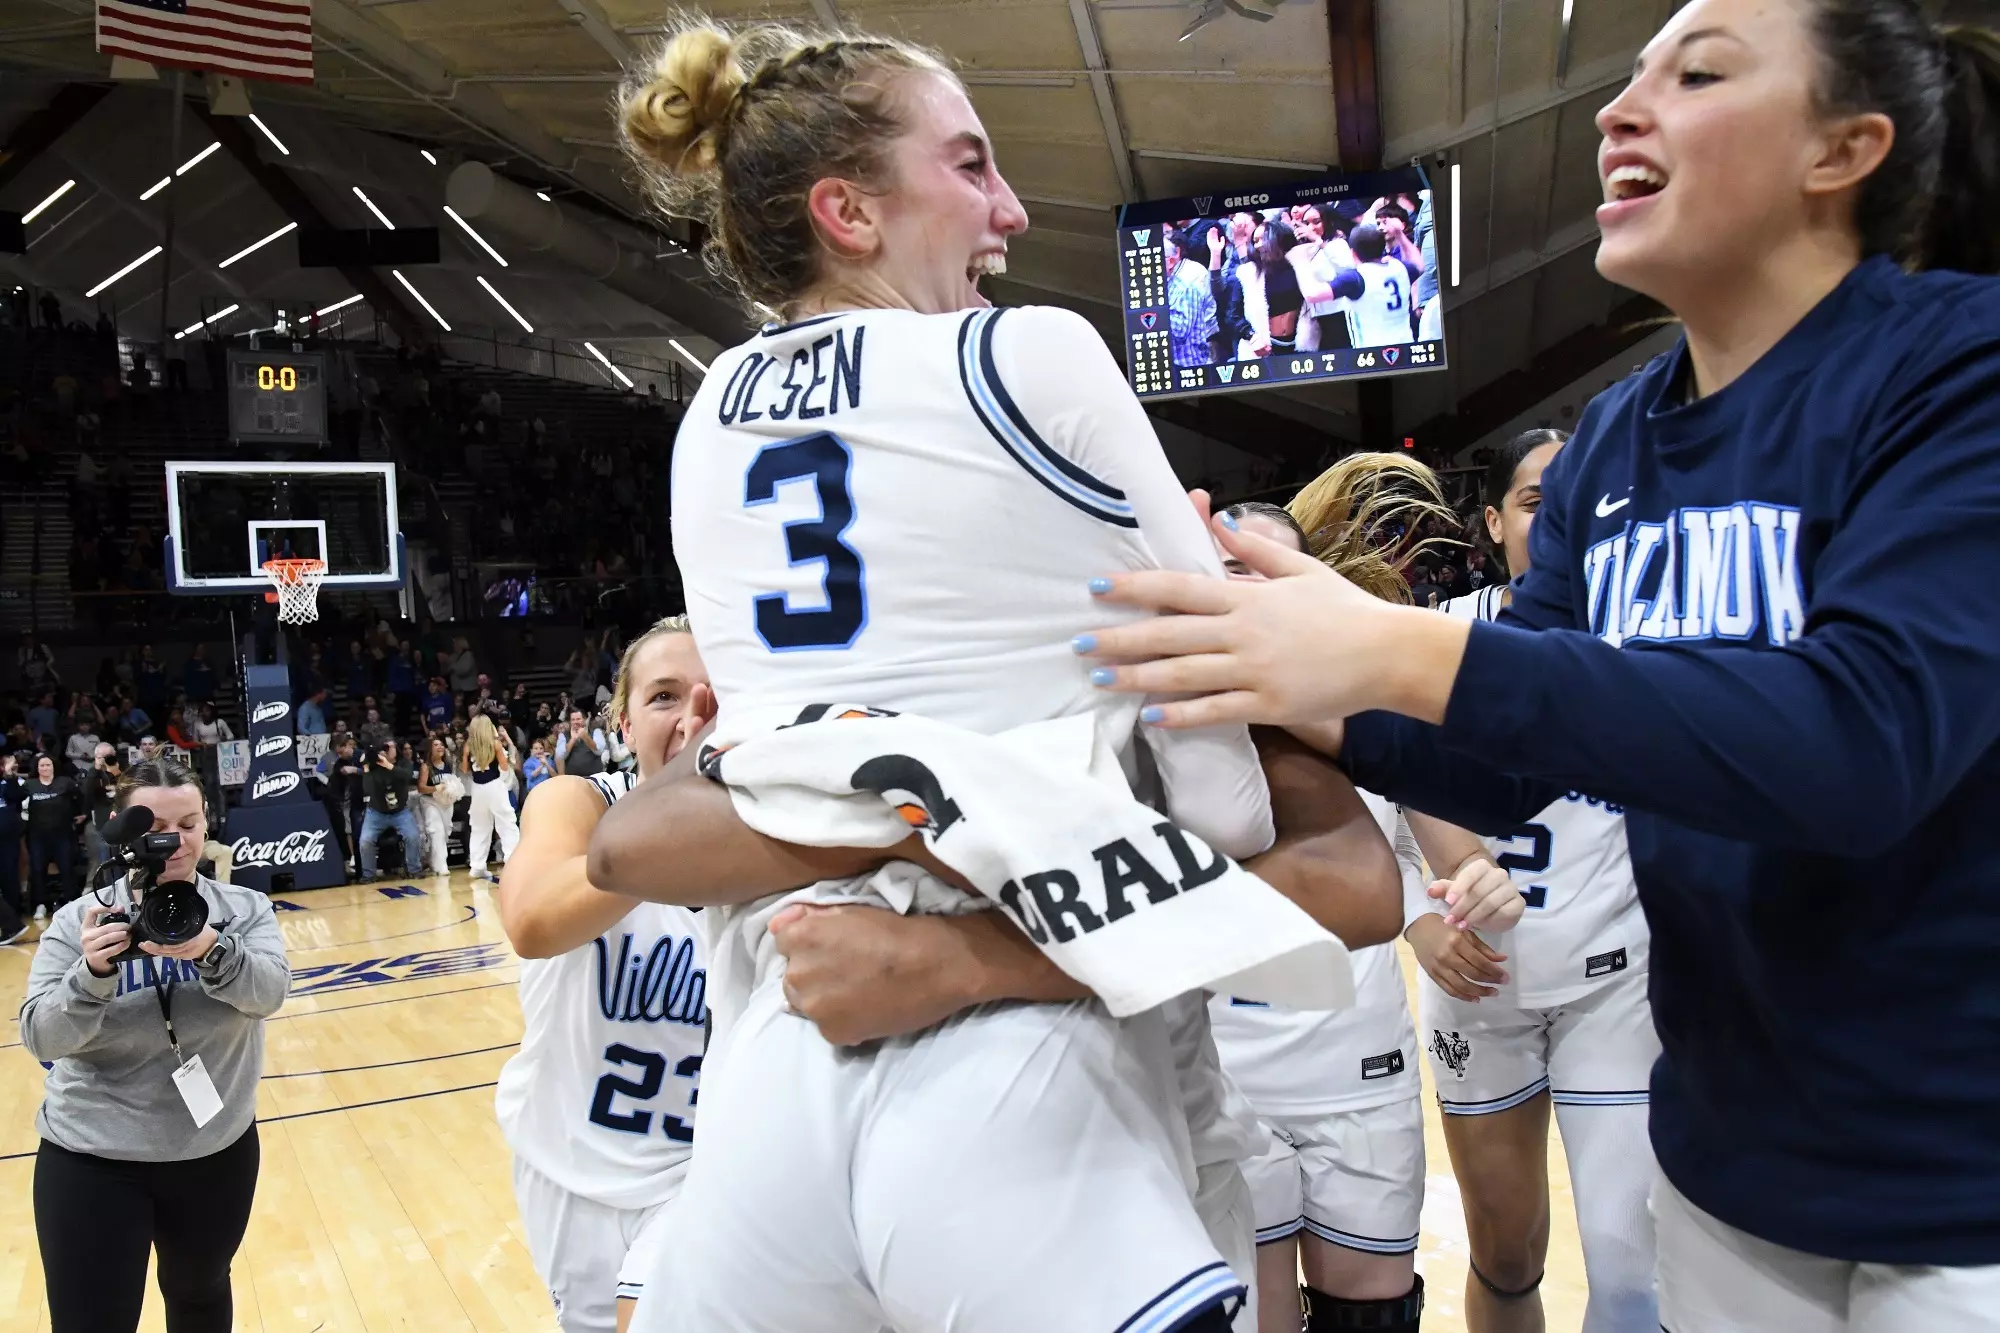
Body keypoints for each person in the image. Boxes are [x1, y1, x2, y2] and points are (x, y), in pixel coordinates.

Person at [1081, 3, 2000, 1325]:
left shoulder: (1959, 361)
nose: (1619, 111)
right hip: (1733, 1153)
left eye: (1696, 74)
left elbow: (1862, 746)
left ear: (1842, 150)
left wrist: (1396, 647)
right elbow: (1513, 757)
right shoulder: (1622, 437)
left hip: (1961, 1181)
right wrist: (1291, 682)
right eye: (1625, 78)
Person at [600, 20, 1388, 1331]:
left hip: (776, 1050)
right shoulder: (1030, 357)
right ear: (849, 210)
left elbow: (722, 783)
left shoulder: (707, 419)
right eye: (970, 166)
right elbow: (1234, 796)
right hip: (1030, 1078)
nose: (1012, 210)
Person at [1207, 488, 1518, 1333]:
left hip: (1358, 1063)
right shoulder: (1159, 722)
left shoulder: (1362, 701)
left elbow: (1452, 850)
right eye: (1230, 569)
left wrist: (1476, 879)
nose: (1249, 589)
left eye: (1271, 572)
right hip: (1222, 1072)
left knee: (1373, 1315)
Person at [1416, 428, 1661, 1332]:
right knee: (1508, 1256)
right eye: (1532, 500)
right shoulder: (1437, 635)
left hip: (1614, 981)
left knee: (1631, 1263)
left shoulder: (1648, 629)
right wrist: (1421, 922)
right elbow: (1378, 815)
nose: (1557, 517)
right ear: (1492, 520)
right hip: (1479, 988)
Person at [20, 755, 290, 1333]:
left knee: (199, 1295)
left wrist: (213, 949)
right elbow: (40, 1035)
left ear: (206, 822)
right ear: (121, 828)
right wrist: (90, 974)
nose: (174, 843)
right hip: (93, 1156)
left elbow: (270, 995)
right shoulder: (79, 922)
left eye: (189, 824)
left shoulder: (244, 911)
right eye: (154, 830)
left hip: (214, 1151)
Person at [495, 618, 712, 1333]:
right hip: (567, 1165)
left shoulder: (773, 830)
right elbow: (530, 920)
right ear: (622, 719)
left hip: (698, 1174)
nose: (692, 717)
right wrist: (686, 823)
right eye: (664, 696)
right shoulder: (577, 802)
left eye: (715, 698)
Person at [464, 714, 520, 882]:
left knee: (479, 826)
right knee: (506, 821)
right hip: (494, 785)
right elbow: (504, 766)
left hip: (477, 789)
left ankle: (477, 866)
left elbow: (465, 769)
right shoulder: (495, 744)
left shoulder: (468, 746)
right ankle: (513, 860)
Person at [25, 753, 82, 915]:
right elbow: (15, 799)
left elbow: (80, 798)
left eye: (48, 765)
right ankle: (41, 905)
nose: (45, 768)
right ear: (37, 768)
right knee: (37, 869)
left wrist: (82, 814)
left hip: (62, 835)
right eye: (42, 765)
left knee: (66, 868)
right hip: (37, 836)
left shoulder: (65, 782)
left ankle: (71, 901)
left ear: (54, 766)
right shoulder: (30, 784)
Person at [357, 742, 422, 881]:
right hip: (376, 812)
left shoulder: (404, 763)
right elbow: (367, 789)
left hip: (400, 812)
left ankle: (414, 870)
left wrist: (388, 766)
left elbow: (407, 776)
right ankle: (368, 875)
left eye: (389, 747)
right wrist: (366, 766)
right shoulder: (373, 767)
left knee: (413, 836)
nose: (386, 751)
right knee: (365, 841)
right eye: (383, 749)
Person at [415, 735, 458, 878]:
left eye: (441, 744)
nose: (440, 747)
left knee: (445, 833)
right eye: (436, 745)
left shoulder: (449, 764)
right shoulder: (426, 766)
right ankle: (442, 866)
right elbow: (421, 788)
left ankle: (433, 861)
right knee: (436, 832)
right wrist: (435, 788)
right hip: (430, 802)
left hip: (446, 802)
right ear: (430, 749)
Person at [556, 708, 606, 778]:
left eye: (578, 719)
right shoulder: (563, 736)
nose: (575, 722)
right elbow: (560, 756)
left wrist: (585, 736)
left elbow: (599, 751)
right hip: (573, 779)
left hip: (593, 778)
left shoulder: (596, 732)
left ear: (585, 720)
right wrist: (572, 739)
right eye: (573, 720)